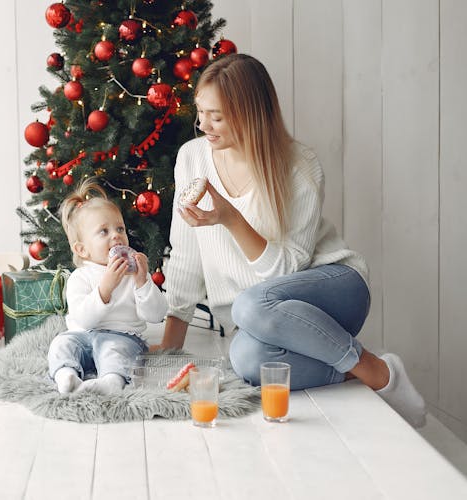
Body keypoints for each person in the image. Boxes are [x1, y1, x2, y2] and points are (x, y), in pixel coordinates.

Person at [157, 53, 427, 427]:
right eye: (200, 112)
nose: (203, 125)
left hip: (333, 289)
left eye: (216, 116)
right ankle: (353, 371)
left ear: (249, 114)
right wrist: (170, 343)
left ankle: (378, 372)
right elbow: (185, 253)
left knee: (250, 305)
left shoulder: (299, 166)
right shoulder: (191, 158)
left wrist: (231, 219)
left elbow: (285, 271)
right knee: (248, 362)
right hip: (263, 317)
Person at [47, 178, 168, 395]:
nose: (116, 236)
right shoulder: (80, 277)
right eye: (104, 231)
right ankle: (66, 376)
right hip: (82, 335)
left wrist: (143, 282)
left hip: (122, 336)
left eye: (120, 228)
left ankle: (111, 381)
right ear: (82, 249)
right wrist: (105, 288)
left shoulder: (133, 274)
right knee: (60, 345)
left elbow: (157, 314)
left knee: (115, 351)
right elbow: (84, 319)